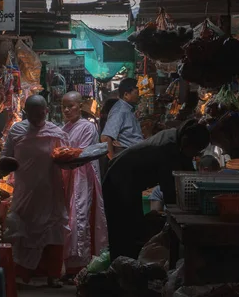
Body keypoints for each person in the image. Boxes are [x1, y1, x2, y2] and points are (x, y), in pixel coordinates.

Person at [102, 120, 210, 261]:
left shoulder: (177, 139)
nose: (195, 154)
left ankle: (127, 265)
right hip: (118, 181)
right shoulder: (168, 147)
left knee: (132, 227)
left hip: (127, 182)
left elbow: (187, 173)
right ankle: (122, 269)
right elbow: (169, 188)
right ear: (186, 142)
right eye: (195, 150)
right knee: (125, 229)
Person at [0, 95, 69, 288]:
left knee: (53, 233)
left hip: (51, 192)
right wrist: (3, 166)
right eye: (33, 114)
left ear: (46, 111)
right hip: (25, 193)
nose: (38, 118)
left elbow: (66, 157)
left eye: (41, 113)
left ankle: (53, 275)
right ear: (26, 113)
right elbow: (5, 157)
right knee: (23, 231)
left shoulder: (56, 132)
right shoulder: (17, 130)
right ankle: (23, 275)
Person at [60, 91, 108, 282]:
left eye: (70, 106)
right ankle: (70, 267)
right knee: (69, 220)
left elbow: (82, 153)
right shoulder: (65, 127)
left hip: (82, 178)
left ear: (80, 106)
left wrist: (63, 155)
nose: (66, 110)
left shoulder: (87, 127)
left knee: (80, 218)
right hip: (69, 177)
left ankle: (82, 265)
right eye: (63, 106)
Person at [101, 78, 144, 159]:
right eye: (136, 93)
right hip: (128, 156)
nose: (139, 96)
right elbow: (105, 138)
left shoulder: (127, 109)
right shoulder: (120, 110)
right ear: (126, 95)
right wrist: (113, 160)